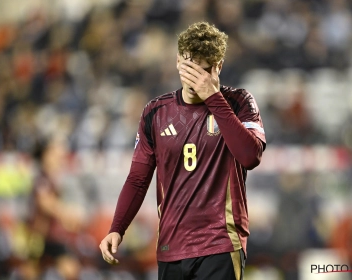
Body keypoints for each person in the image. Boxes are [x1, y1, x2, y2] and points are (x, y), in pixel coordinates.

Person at [99, 21, 266, 280]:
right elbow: (138, 178)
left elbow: (250, 156)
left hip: (220, 243)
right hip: (171, 246)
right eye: (190, 67)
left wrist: (212, 97)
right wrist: (117, 228)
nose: (196, 79)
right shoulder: (156, 112)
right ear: (178, 61)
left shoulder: (239, 102)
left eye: (205, 70)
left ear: (219, 66)